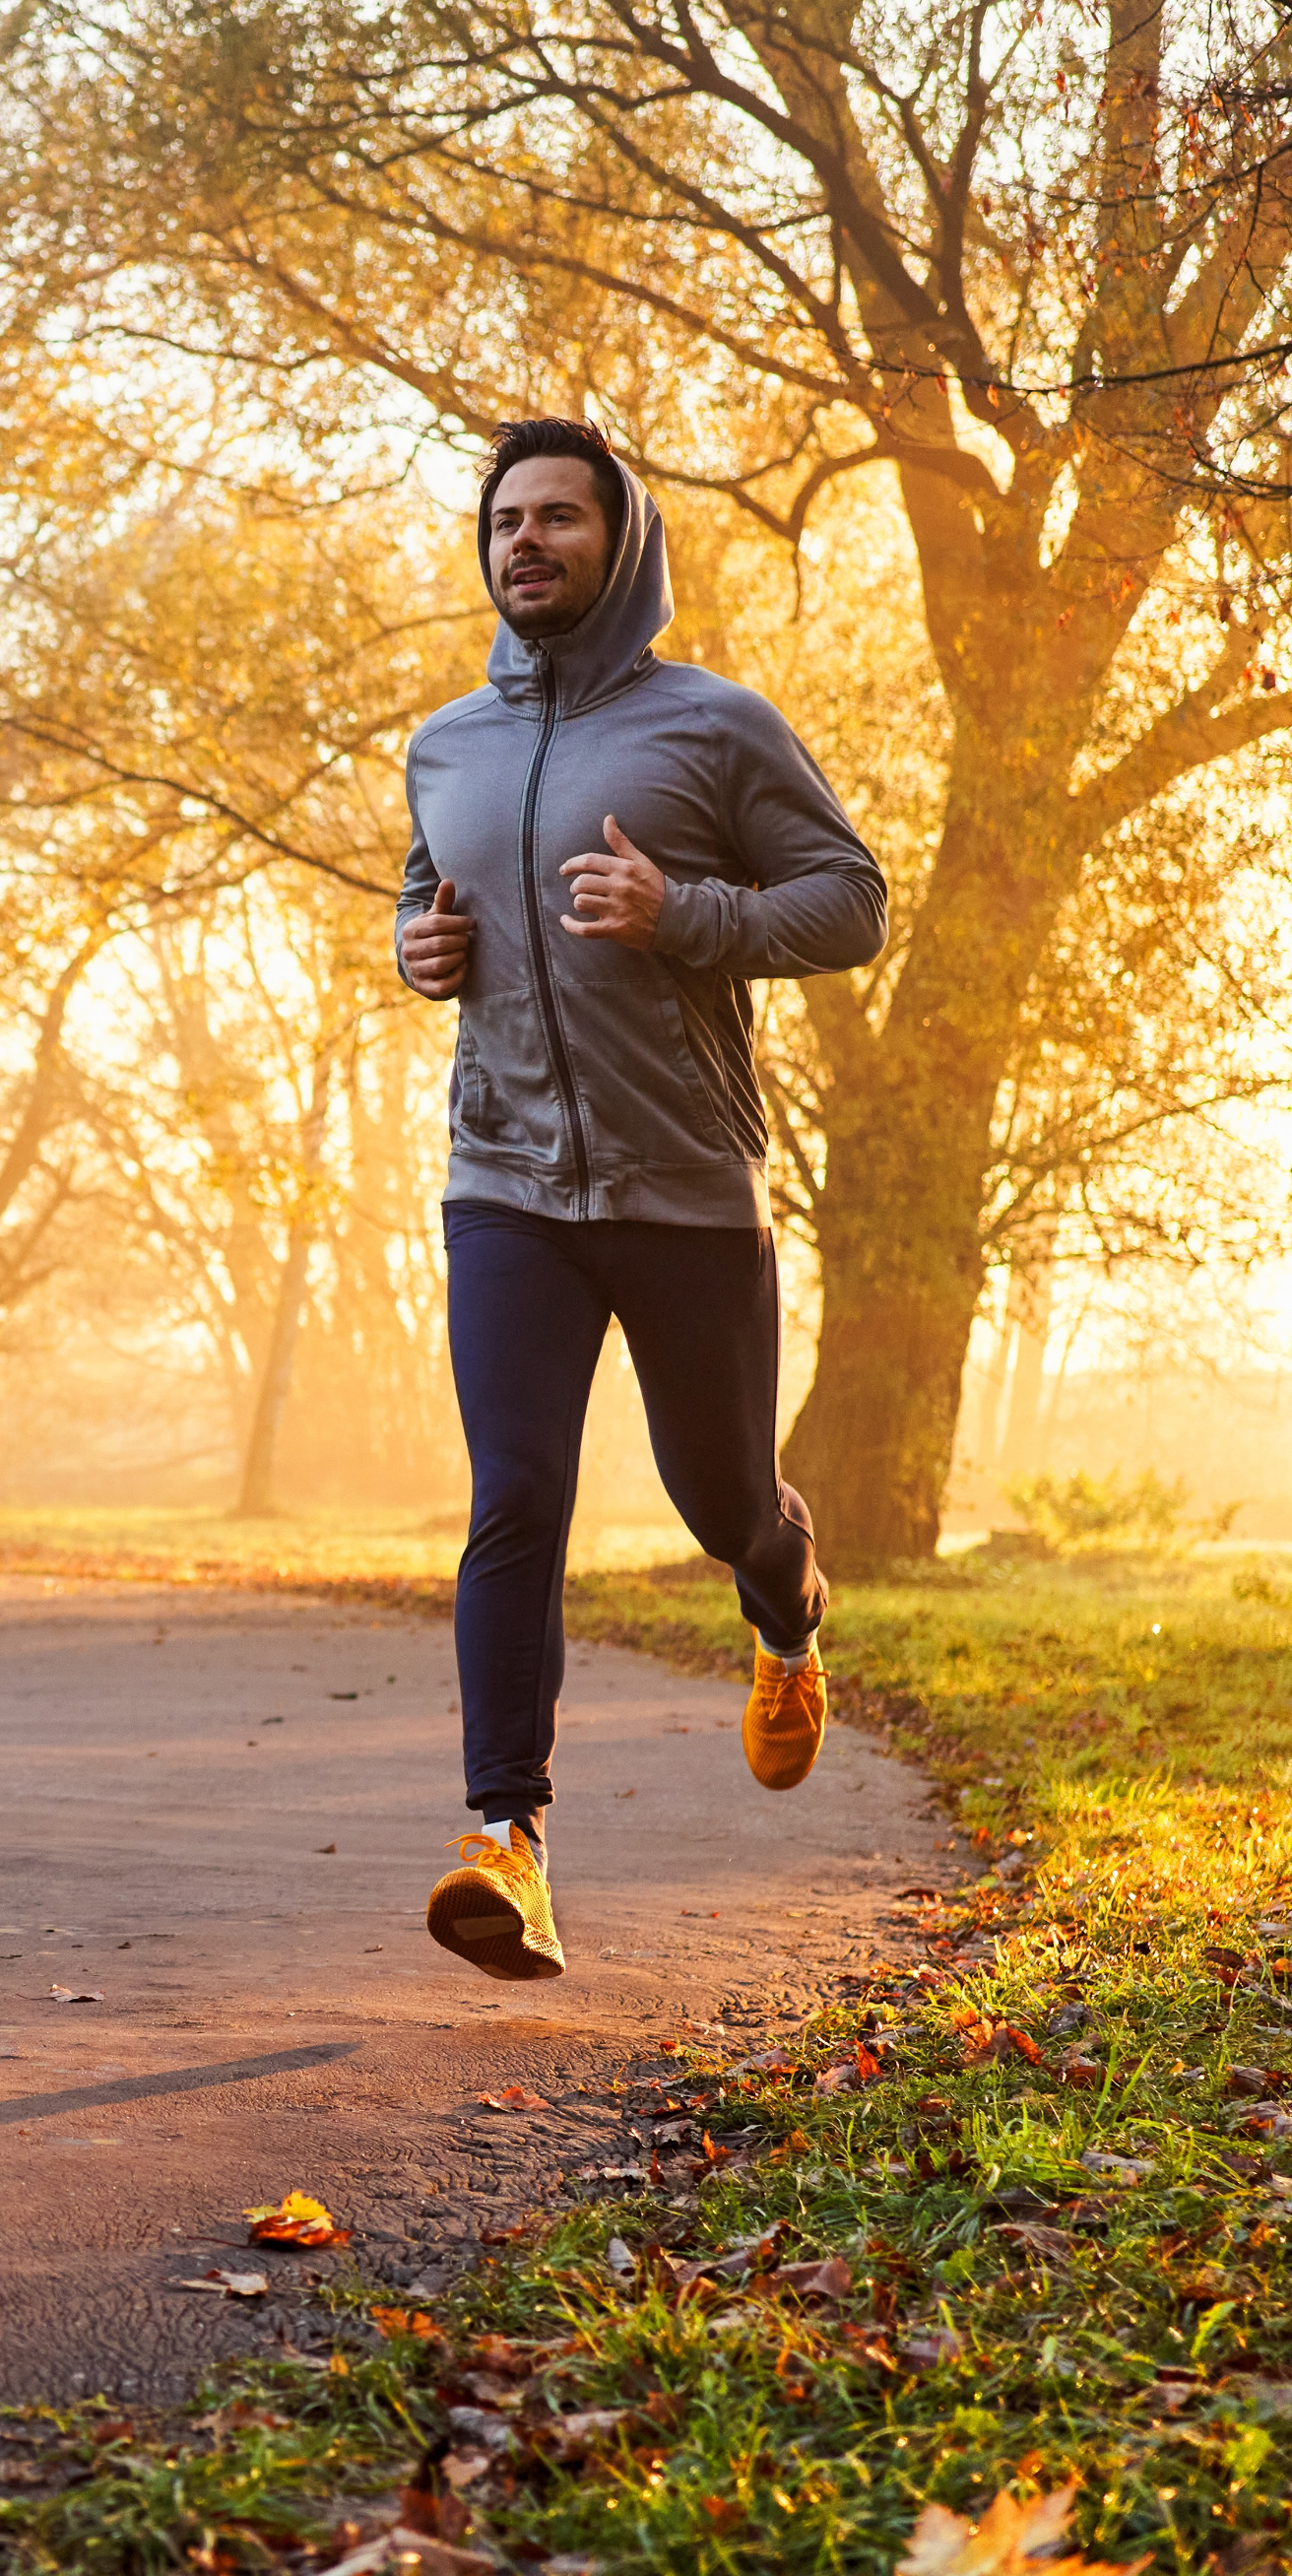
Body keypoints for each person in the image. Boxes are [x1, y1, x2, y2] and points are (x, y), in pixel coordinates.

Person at [396, 419, 889, 1983]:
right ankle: (508, 1843)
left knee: (721, 1495)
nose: (525, 542)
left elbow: (852, 900)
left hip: (683, 1183)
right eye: (505, 523)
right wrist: (415, 946)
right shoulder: (447, 743)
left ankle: (788, 1607)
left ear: (624, 543)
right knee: (515, 1496)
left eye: (557, 519)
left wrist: (687, 915)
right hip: (506, 1186)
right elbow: (430, 891)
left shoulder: (715, 726)